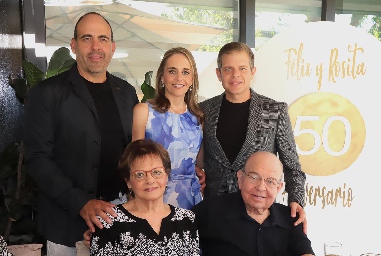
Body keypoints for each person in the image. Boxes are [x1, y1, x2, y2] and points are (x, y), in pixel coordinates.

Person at [23, 12, 138, 255]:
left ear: (113, 47)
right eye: (87, 38)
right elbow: (37, 159)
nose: (96, 47)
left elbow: (135, 151)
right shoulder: (47, 93)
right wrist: (82, 203)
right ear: (74, 45)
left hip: (117, 219)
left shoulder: (126, 92)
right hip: (66, 222)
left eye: (103, 39)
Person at [198, 41, 307, 232]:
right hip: (215, 214)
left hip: (258, 214)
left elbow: (292, 165)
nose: (235, 75)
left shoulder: (275, 111)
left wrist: (296, 200)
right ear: (218, 73)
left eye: (242, 68)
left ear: (252, 71)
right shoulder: (203, 111)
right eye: (228, 69)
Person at [90, 139, 200, 256]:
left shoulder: (187, 219)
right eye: (140, 174)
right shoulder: (108, 222)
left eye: (157, 172)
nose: (150, 180)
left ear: (167, 175)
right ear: (128, 181)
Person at [192, 151, 315, 256]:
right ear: (240, 178)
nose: (261, 187)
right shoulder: (210, 210)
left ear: (278, 188)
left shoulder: (291, 218)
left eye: (270, 182)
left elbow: (304, 251)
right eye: (254, 177)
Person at [132, 47, 205, 210]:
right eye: (172, 71)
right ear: (162, 77)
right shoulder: (144, 111)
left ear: (192, 79)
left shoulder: (198, 118)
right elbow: (135, 164)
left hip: (191, 201)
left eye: (186, 72)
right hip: (153, 200)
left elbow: (198, 164)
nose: (179, 78)